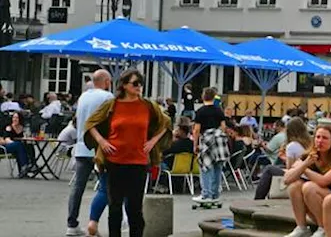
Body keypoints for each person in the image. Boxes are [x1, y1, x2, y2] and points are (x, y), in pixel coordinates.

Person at [84, 70, 172, 237]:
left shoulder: (147, 105)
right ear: (124, 85)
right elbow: (90, 123)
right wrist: (102, 141)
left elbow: (166, 122)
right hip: (114, 161)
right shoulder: (113, 104)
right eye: (135, 83)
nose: (139, 87)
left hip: (138, 162)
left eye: (141, 83)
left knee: (135, 209)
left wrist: (153, 141)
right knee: (115, 207)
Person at [67, 69, 114, 237]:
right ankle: (102, 220)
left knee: (77, 187)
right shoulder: (108, 98)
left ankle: (71, 224)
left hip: (81, 146)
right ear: (107, 82)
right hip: (99, 148)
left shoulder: (83, 97)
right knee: (106, 186)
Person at [283, 124, 331, 237]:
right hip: (316, 202)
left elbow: (324, 181)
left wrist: (304, 168)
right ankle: (301, 227)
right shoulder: (308, 157)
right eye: (317, 137)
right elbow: (287, 179)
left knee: (309, 187)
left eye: (325, 138)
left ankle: (323, 228)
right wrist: (305, 164)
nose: (320, 141)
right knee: (295, 186)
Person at [256, 118, 311, 200]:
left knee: (269, 169)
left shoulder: (292, 146)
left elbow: (289, 167)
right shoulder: (309, 142)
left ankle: (258, 199)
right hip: (306, 173)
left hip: (297, 173)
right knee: (275, 168)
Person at [192, 87, 229, 205]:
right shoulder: (219, 110)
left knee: (206, 167)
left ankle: (205, 194)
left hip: (207, 138)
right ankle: (214, 195)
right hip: (218, 139)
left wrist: (195, 144)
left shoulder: (200, 111)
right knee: (218, 167)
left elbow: (196, 130)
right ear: (214, 97)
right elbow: (223, 126)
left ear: (203, 96)